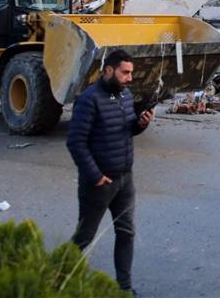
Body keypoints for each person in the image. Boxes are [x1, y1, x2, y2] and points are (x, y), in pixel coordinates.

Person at [67, 49, 153, 294]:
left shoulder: (125, 96)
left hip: (125, 180)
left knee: (126, 232)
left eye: (131, 73)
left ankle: (124, 288)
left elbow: (126, 131)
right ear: (108, 70)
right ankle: (56, 277)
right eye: (125, 72)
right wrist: (95, 176)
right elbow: (75, 142)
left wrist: (141, 125)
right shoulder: (89, 99)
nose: (129, 78)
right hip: (98, 184)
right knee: (85, 236)